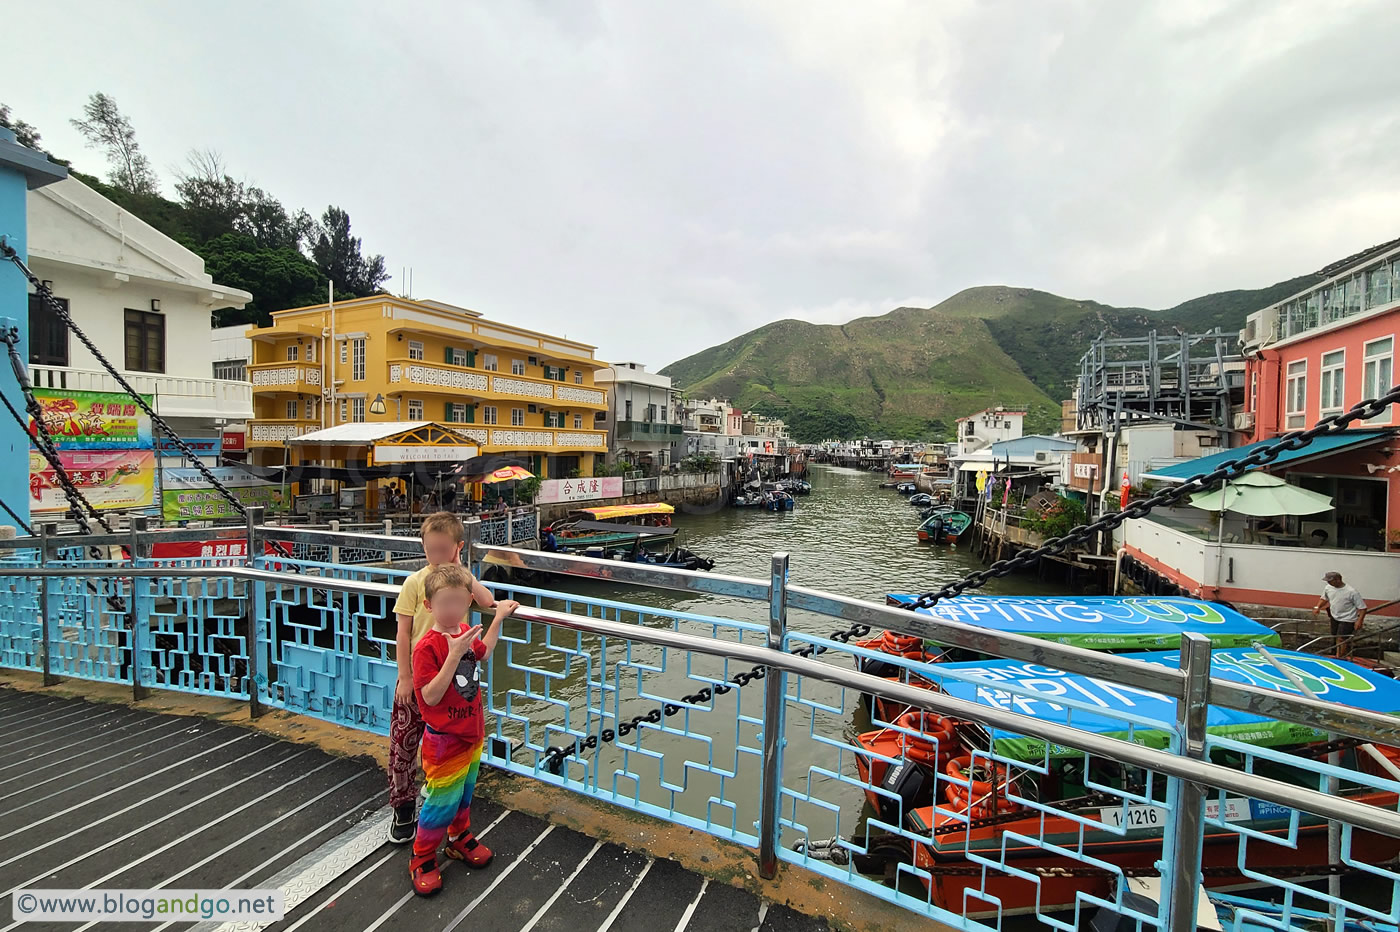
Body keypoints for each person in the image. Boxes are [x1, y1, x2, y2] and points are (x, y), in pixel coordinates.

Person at [387, 511, 501, 845]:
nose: (436, 557)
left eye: (443, 550)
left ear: (456, 548)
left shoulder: (458, 583)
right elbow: (403, 633)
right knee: (404, 744)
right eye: (430, 550)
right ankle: (404, 805)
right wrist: (404, 677)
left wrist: (459, 569)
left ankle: (441, 801)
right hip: (420, 676)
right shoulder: (415, 583)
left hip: (452, 680)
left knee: (443, 744)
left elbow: (486, 601)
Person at [408, 563, 518, 895]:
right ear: (429, 606)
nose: (451, 610)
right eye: (444, 603)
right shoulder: (428, 646)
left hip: (472, 730)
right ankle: (422, 855)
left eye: (457, 602)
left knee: (465, 794)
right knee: (441, 800)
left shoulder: (465, 631)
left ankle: (459, 838)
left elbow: (483, 653)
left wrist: (497, 617)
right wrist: (453, 656)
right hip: (443, 737)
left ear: (468, 601)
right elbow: (429, 695)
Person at [1313, 571, 1367, 658]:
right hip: (1334, 616)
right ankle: (1338, 653)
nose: (1328, 583)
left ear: (1338, 580)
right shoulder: (1328, 588)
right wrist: (1317, 607)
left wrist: (1359, 621)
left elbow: (1362, 608)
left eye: (1330, 581)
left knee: (1341, 638)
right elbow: (1324, 598)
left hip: (1348, 618)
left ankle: (1339, 656)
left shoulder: (1351, 592)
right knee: (1335, 636)